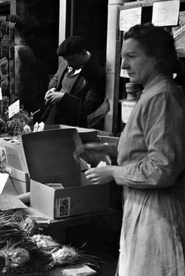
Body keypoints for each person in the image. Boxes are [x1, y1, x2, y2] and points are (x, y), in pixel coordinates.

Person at [75, 23, 185, 276]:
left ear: (157, 57)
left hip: (159, 213)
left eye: (132, 57)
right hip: (143, 206)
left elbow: (162, 169)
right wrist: (106, 148)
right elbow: (145, 146)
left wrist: (114, 172)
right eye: (123, 57)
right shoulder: (152, 93)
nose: (123, 65)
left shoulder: (162, 97)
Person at [42, 36, 105, 127]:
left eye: (72, 60)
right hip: (53, 120)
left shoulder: (96, 74)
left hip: (72, 126)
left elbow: (88, 108)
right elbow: (56, 78)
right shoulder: (68, 61)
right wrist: (52, 89)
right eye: (66, 60)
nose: (69, 64)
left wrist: (63, 98)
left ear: (83, 54)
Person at [7, 15, 41, 113]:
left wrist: (14, 106)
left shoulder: (18, 50)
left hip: (20, 104)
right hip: (29, 100)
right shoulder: (27, 49)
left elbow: (19, 81)